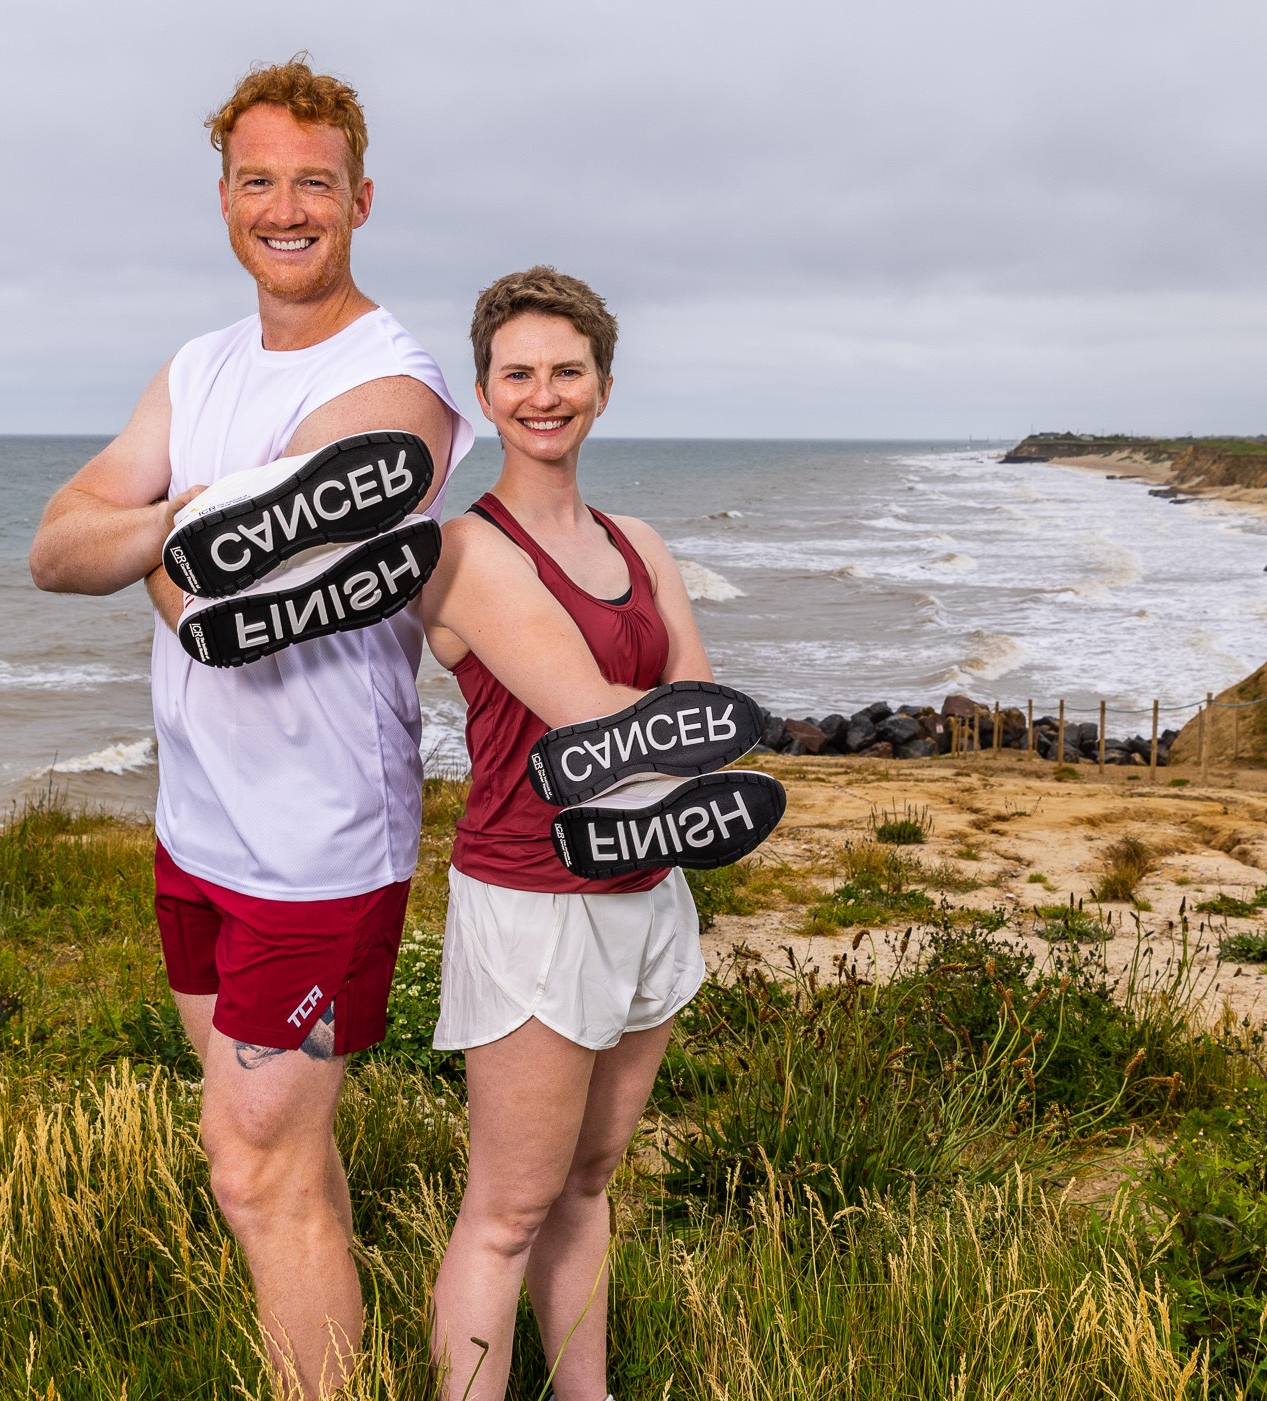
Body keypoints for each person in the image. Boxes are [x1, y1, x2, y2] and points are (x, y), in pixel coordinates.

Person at [28, 57, 473, 1399]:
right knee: (282, 1166)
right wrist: (184, 523)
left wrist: (167, 537)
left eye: (316, 184)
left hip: (319, 848)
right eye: (261, 181)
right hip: (198, 829)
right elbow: (58, 547)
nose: (288, 208)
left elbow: (240, 595)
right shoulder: (200, 364)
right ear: (225, 196)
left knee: (253, 1167)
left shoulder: (400, 382)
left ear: (363, 198)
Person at [419, 267, 745, 1400]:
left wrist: (677, 735)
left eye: (567, 371)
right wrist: (675, 732)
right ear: (483, 392)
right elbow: (594, 721)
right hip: (533, 903)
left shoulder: (637, 541)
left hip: (647, 895)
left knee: (590, 1183)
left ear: (601, 388)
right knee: (506, 1212)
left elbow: (697, 725)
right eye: (519, 374)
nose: (543, 394)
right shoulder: (465, 551)